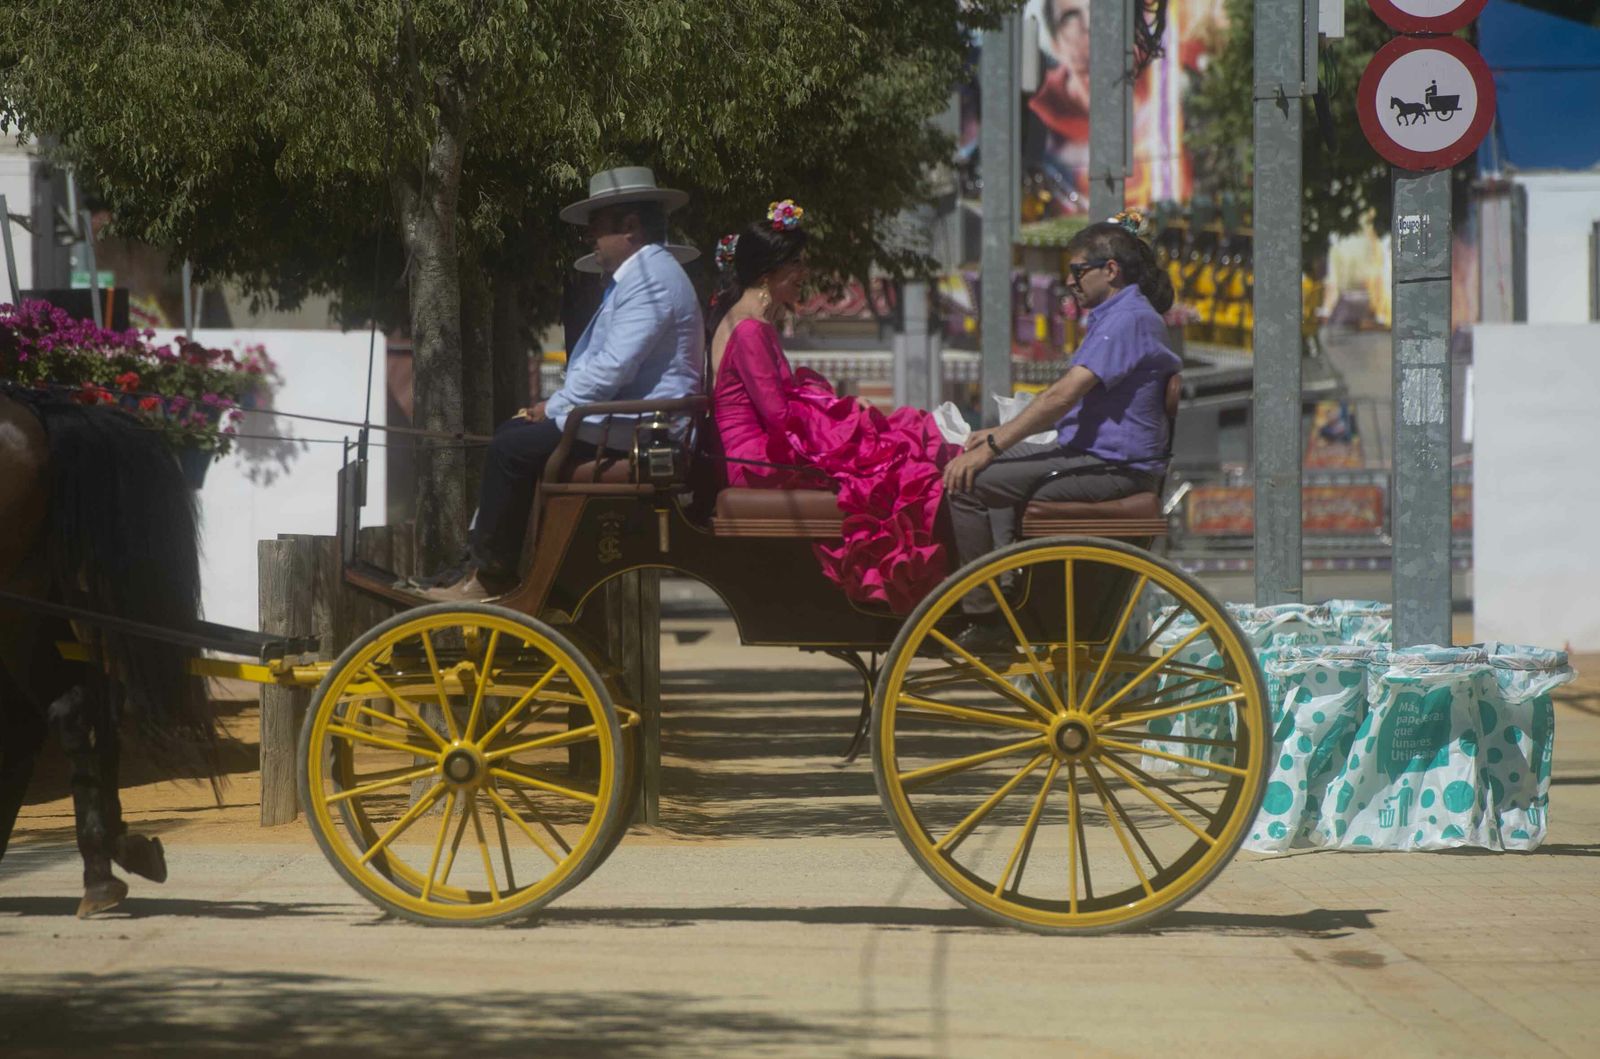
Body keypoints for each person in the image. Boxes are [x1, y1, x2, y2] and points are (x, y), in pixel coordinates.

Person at [424, 167, 704, 601]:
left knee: (510, 447)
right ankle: (485, 563)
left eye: (596, 227)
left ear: (629, 226)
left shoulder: (651, 282)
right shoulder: (646, 276)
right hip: (630, 424)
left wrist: (555, 406)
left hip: (642, 433)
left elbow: (613, 368)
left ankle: (492, 576)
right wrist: (553, 406)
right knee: (515, 435)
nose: (589, 237)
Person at [941, 212, 1181, 652]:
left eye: (1076, 271)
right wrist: (994, 436)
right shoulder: (1119, 316)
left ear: (1110, 270)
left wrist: (993, 444)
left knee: (968, 483)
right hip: (1092, 456)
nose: (1069, 282)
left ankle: (985, 615)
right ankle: (1005, 582)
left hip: (1112, 467)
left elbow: (1063, 395)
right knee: (974, 467)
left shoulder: (1128, 318)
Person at [708, 201, 959, 614]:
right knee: (882, 468)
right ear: (771, 272)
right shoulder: (750, 328)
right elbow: (779, 417)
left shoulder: (750, 320)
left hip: (766, 450)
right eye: (798, 265)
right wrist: (844, 416)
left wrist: (841, 411)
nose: (804, 275)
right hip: (758, 459)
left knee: (888, 446)